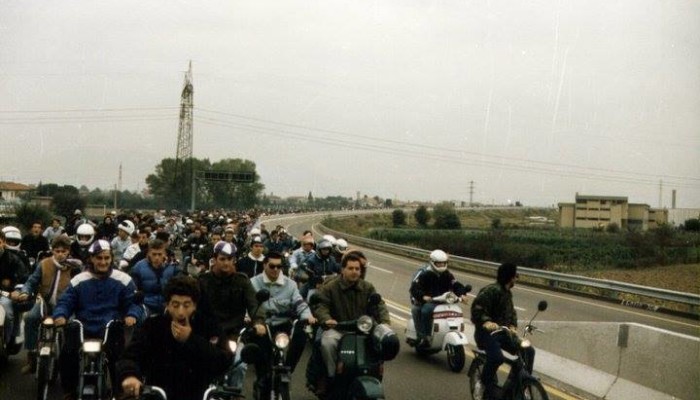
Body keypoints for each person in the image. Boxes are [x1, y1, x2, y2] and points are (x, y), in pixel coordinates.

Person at [53, 240, 143, 400]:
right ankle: (70, 391)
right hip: (84, 327)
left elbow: (133, 302)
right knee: (67, 354)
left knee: (119, 358)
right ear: (91, 259)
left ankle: (119, 392)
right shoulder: (79, 280)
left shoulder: (124, 279)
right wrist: (61, 315)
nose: (103, 262)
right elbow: (66, 301)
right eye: (99, 258)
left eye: (106, 258)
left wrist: (131, 315)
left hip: (110, 327)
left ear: (111, 258)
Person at [116, 275, 232, 400]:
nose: (181, 312)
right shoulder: (153, 326)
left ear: (195, 305)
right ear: (167, 305)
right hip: (158, 394)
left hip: (198, 393)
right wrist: (130, 375)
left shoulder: (208, 326)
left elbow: (223, 361)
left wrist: (191, 339)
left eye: (186, 305)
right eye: (175, 305)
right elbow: (130, 356)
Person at [310, 253, 390, 397]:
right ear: (342, 269)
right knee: (326, 342)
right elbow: (321, 304)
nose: (354, 271)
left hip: (363, 330)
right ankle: (331, 376)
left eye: (357, 269)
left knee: (381, 343)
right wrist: (326, 319)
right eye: (350, 268)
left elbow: (379, 305)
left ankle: (374, 375)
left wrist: (385, 324)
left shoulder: (368, 287)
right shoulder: (331, 287)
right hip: (338, 328)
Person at [198, 241, 266, 397]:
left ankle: (234, 396)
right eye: (222, 259)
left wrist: (259, 322)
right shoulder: (203, 281)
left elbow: (254, 304)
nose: (226, 263)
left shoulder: (242, 281)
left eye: (230, 259)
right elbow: (193, 305)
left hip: (233, 335)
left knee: (239, 365)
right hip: (208, 334)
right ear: (214, 259)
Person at [14, 236, 81, 374]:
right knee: (30, 318)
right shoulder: (44, 264)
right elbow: (31, 282)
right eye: (57, 251)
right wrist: (25, 292)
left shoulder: (75, 267)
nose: (60, 254)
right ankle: (32, 357)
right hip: (44, 302)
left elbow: (81, 286)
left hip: (66, 305)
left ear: (68, 251)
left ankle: (69, 360)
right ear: (52, 250)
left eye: (63, 251)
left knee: (73, 326)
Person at [471, 262, 533, 400]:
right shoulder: (491, 290)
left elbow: (512, 314)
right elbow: (477, 309)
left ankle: (523, 385)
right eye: (515, 276)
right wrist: (486, 322)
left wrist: (512, 326)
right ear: (510, 277)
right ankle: (482, 384)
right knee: (497, 358)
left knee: (528, 350)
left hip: (503, 334)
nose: (516, 279)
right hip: (486, 334)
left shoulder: (507, 294)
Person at [250, 251, 316, 373]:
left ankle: (288, 369)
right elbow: (248, 304)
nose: (276, 269)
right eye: (272, 266)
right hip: (263, 325)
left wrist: (307, 316)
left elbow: (299, 302)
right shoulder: (253, 283)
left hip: (284, 324)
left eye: (279, 266)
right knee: (260, 353)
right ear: (264, 265)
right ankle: (262, 377)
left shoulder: (290, 284)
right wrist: (249, 318)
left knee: (301, 334)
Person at [409, 249, 466, 348]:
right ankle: (425, 337)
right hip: (431, 301)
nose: (441, 265)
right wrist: (423, 296)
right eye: (438, 264)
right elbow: (415, 288)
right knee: (426, 310)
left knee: (457, 310)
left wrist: (462, 294)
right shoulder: (425, 274)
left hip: (445, 301)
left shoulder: (447, 274)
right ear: (432, 262)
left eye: (443, 263)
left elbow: (455, 284)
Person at [130, 239, 182, 317]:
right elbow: (132, 290)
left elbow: (180, 288)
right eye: (154, 254)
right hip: (146, 304)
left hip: (168, 304)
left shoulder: (173, 266)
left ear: (164, 254)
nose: (157, 257)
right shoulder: (139, 267)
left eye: (159, 254)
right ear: (149, 253)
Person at [0, 230, 27, 353]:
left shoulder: (13, 259)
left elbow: (23, 277)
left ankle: (8, 341)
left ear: (3, 242)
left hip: (5, 294)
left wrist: (16, 289)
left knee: (8, 312)